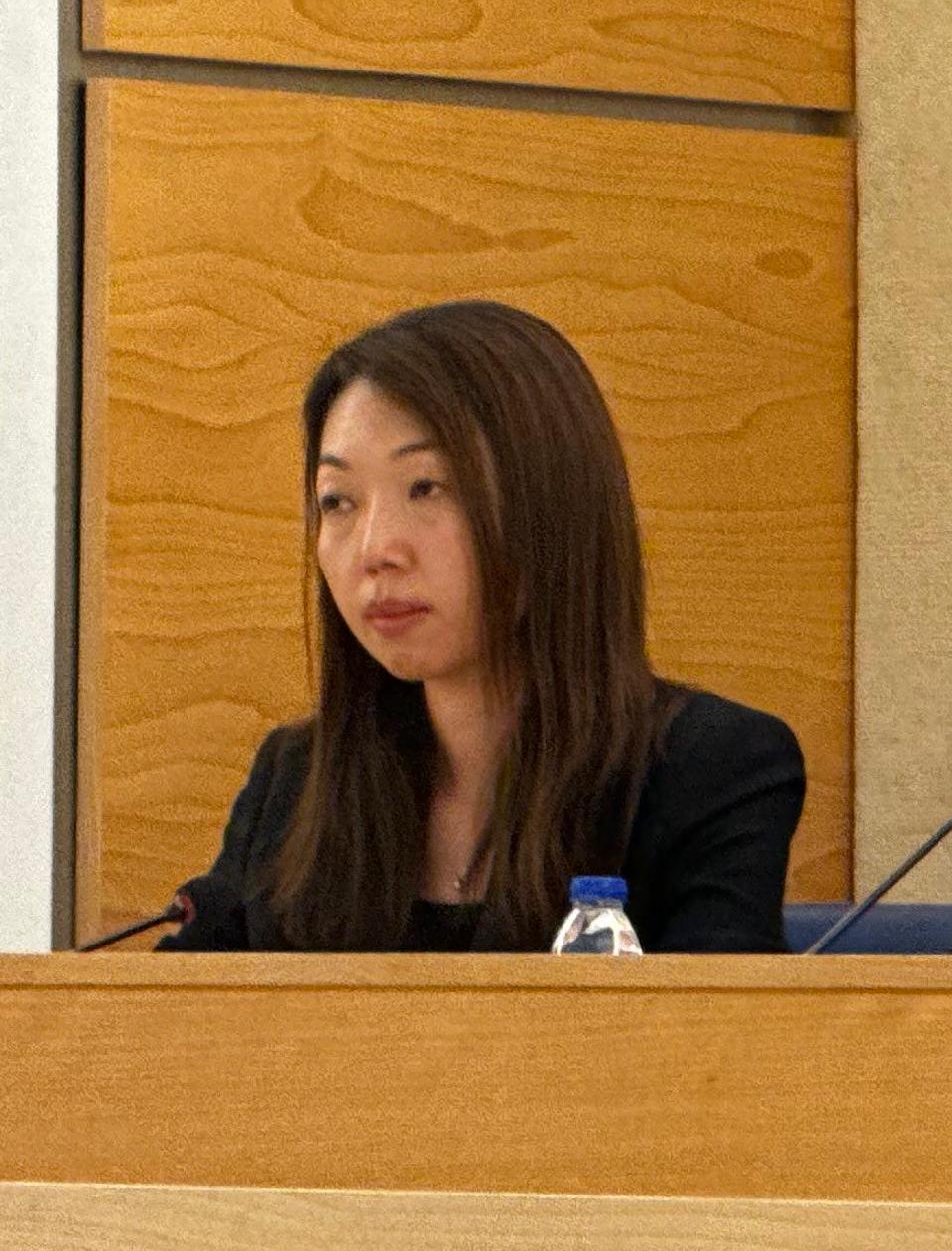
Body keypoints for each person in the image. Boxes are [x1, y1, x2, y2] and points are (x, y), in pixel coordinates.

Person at [166, 301, 801, 952]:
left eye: (427, 488)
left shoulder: (709, 774)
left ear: (550, 506)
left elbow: (716, 1047)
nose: (375, 548)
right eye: (339, 501)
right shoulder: (293, 784)